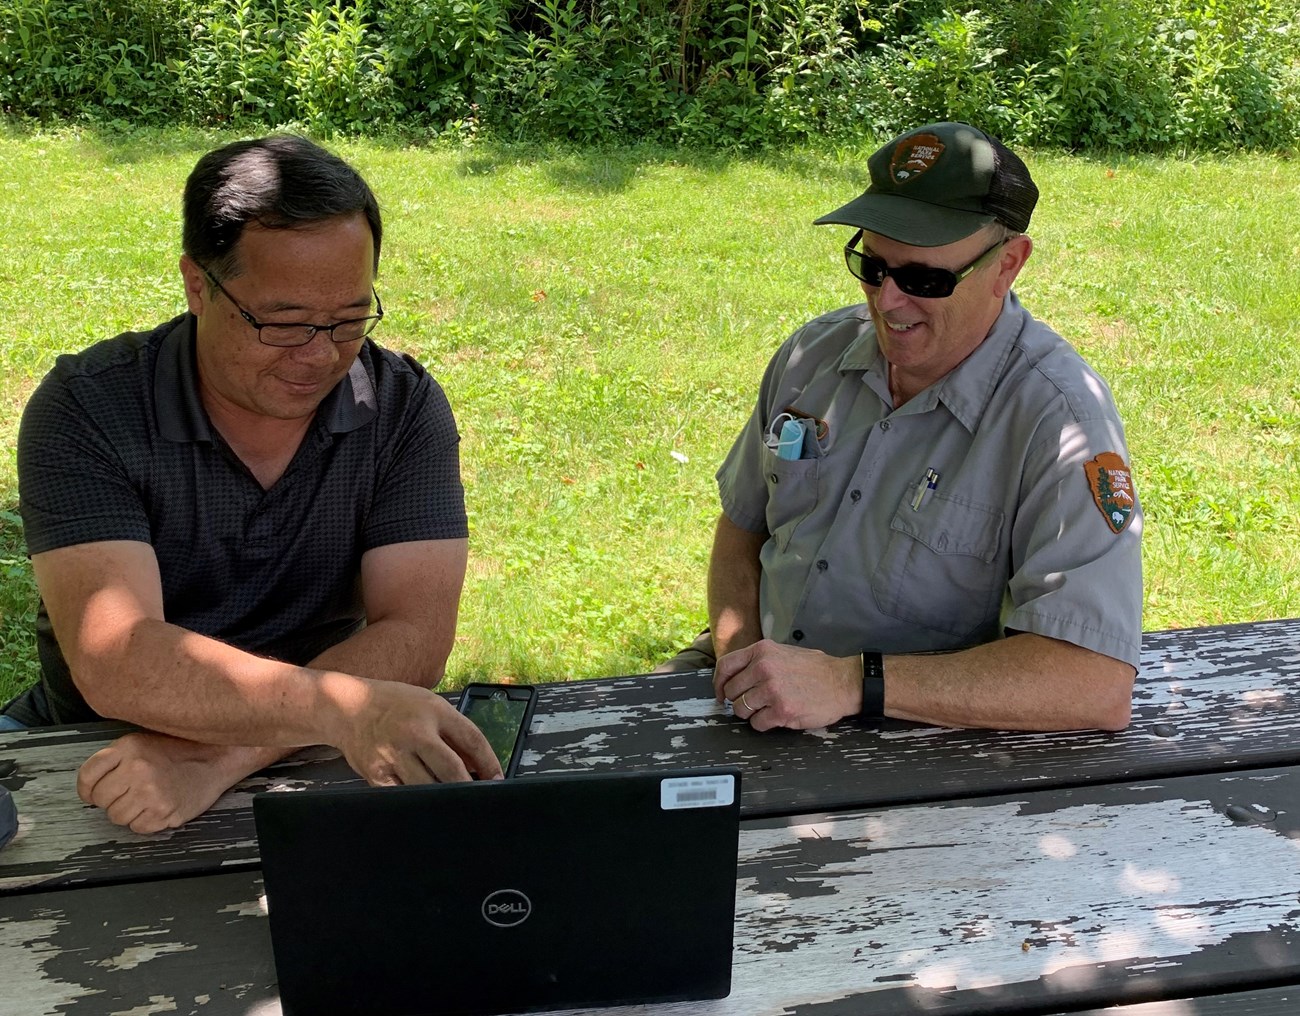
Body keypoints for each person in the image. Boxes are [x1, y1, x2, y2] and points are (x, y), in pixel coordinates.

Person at [1, 135, 500, 832]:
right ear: (198, 284)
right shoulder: (89, 408)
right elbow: (115, 658)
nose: (322, 354)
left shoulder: (401, 407)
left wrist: (221, 757)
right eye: (285, 324)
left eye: (352, 319)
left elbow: (414, 631)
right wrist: (343, 706)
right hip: (96, 757)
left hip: (307, 756)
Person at [662, 122, 1142, 733]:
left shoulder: (1058, 421)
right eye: (872, 265)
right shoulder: (816, 354)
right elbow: (741, 529)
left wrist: (853, 683)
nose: (887, 301)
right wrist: (743, 664)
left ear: (1007, 267)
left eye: (924, 280)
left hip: (908, 728)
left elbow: (1094, 682)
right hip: (751, 677)